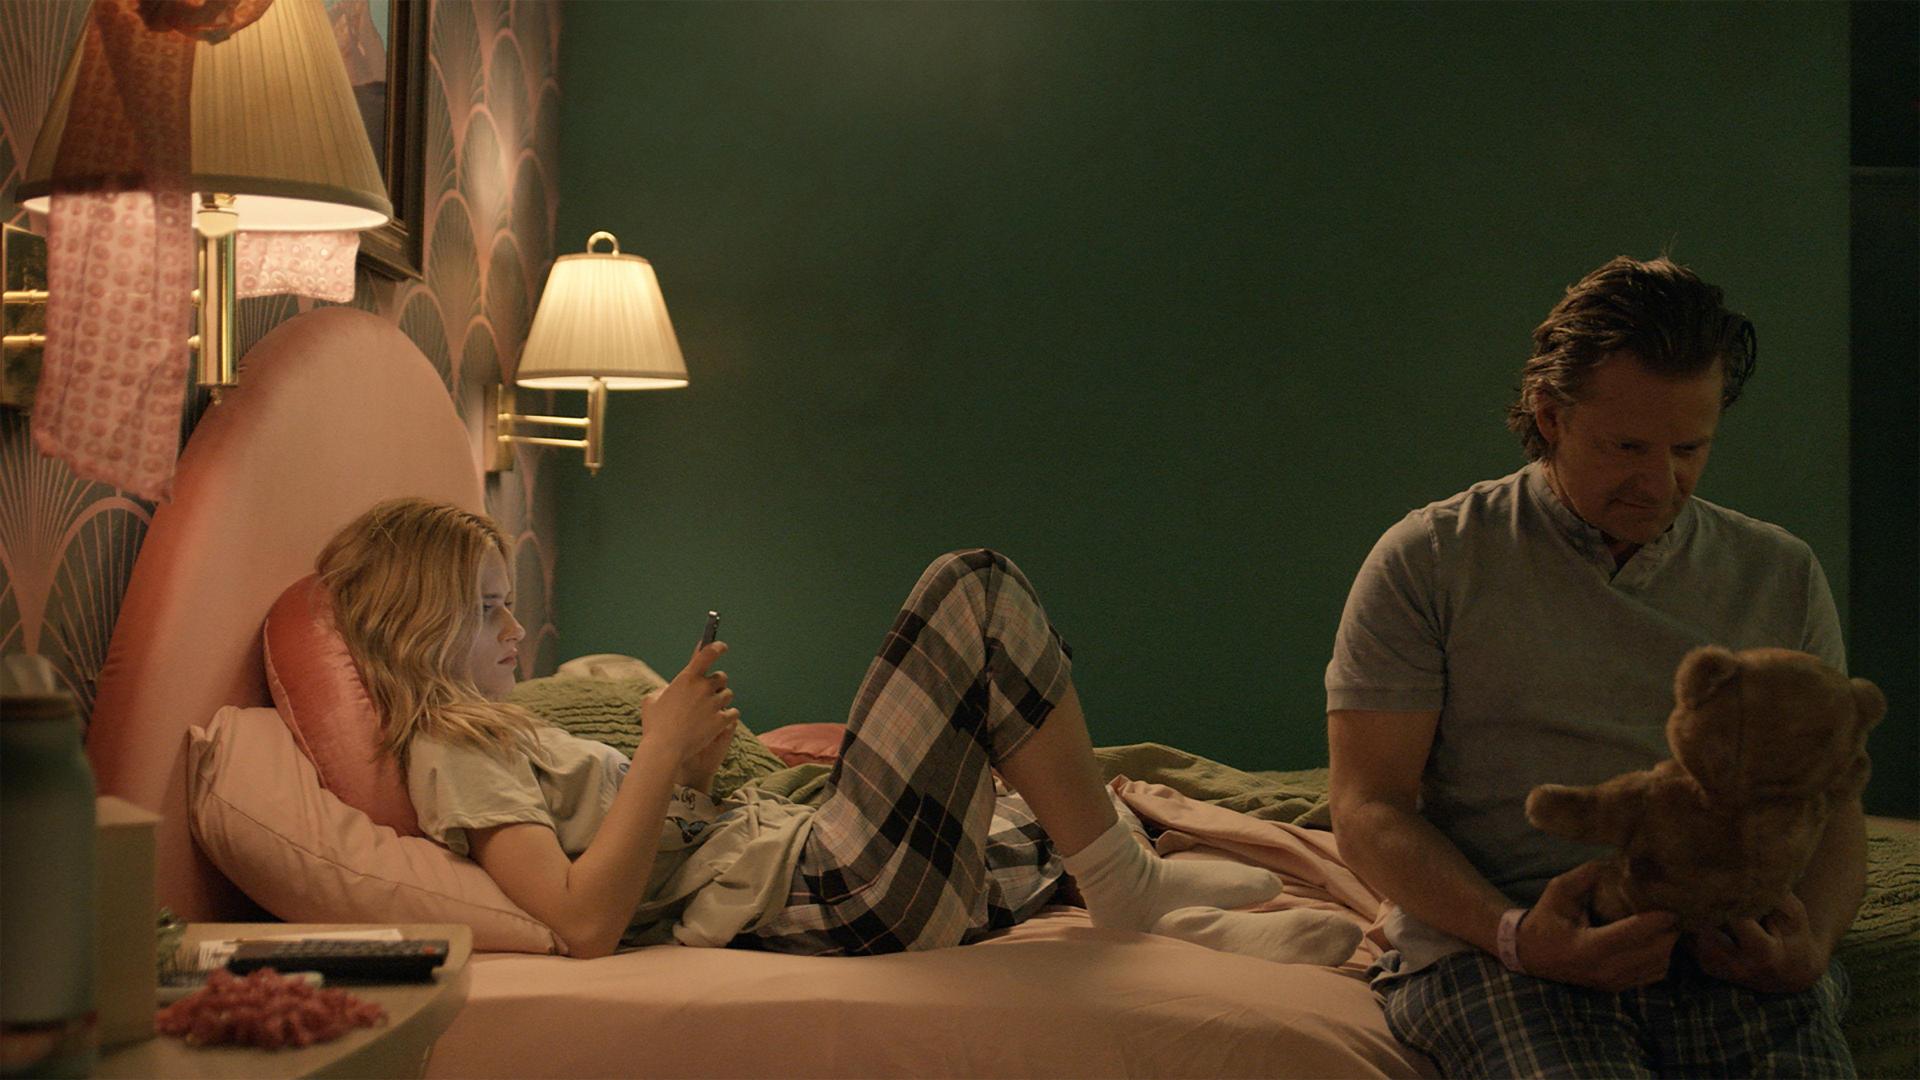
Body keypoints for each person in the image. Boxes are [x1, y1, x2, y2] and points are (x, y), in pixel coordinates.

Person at [314, 498, 1363, 964]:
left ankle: (1153, 909)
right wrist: (660, 754)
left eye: (508, 602)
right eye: (487, 608)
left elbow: (654, 859)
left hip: (804, 859)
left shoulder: (505, 729)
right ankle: (1126, 886)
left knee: (1047, 790)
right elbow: (583, 923)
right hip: (819, 892)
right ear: (415, 621)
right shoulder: (452, 749)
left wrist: (694, 772)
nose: (513, 628)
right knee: (972, 591)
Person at [1325, 255, 1863, 1077]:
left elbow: (1834, 804)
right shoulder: (1431, 560)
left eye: (1690, 448)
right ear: (1550, 416)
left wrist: (1811, 945)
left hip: (1723, 947)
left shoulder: (1778, 574)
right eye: (1627, 447)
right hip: (1503, 948)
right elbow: (1368, 805)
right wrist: (1515, 934)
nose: (1659, 482)